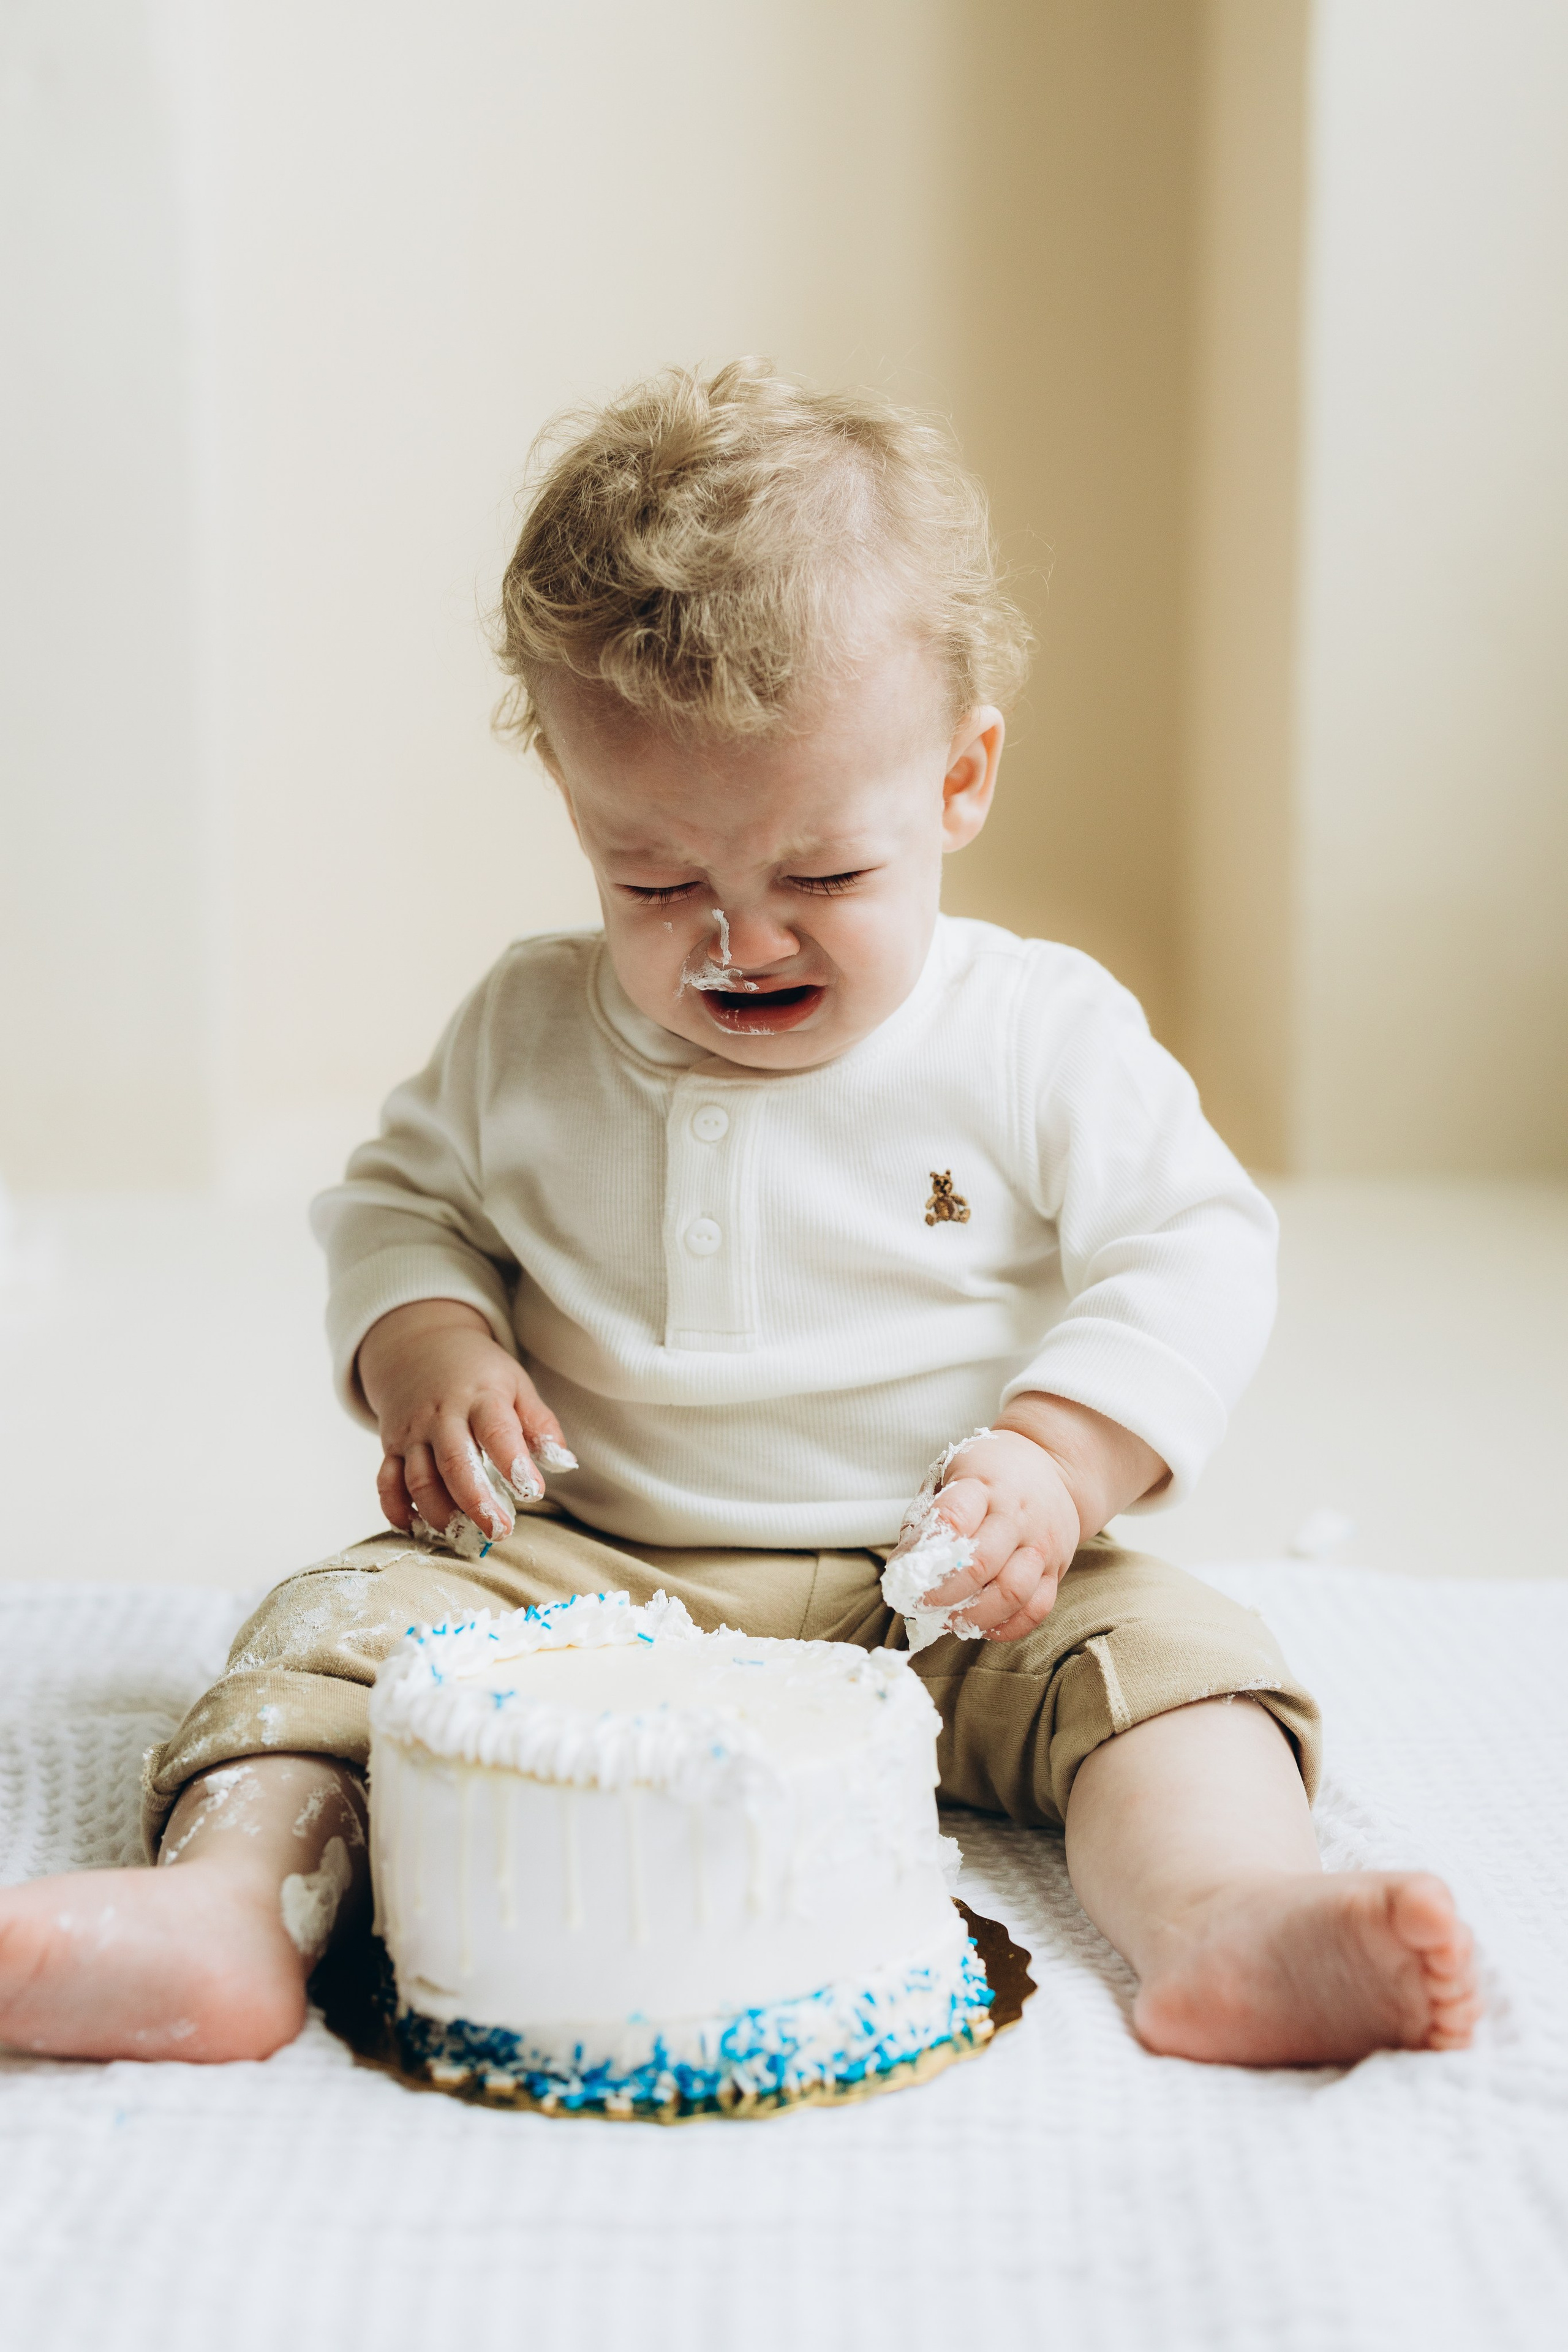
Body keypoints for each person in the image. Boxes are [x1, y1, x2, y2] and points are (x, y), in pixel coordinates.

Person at [0, 360, 1479, 2070]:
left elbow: (1197, 1247)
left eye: (823, 878)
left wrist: (1061, 1467)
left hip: (945, 1585)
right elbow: (395, 1203)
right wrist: (432, 1348)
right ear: (576, 805)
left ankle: (1225, 1920)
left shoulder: (1031, 1034)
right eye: (657, 882)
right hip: (569, 1571)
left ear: (960, 779)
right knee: (326, 1642)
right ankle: (227, 1917)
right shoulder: (524, 1029)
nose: (738, 940)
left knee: (1180, 1670)